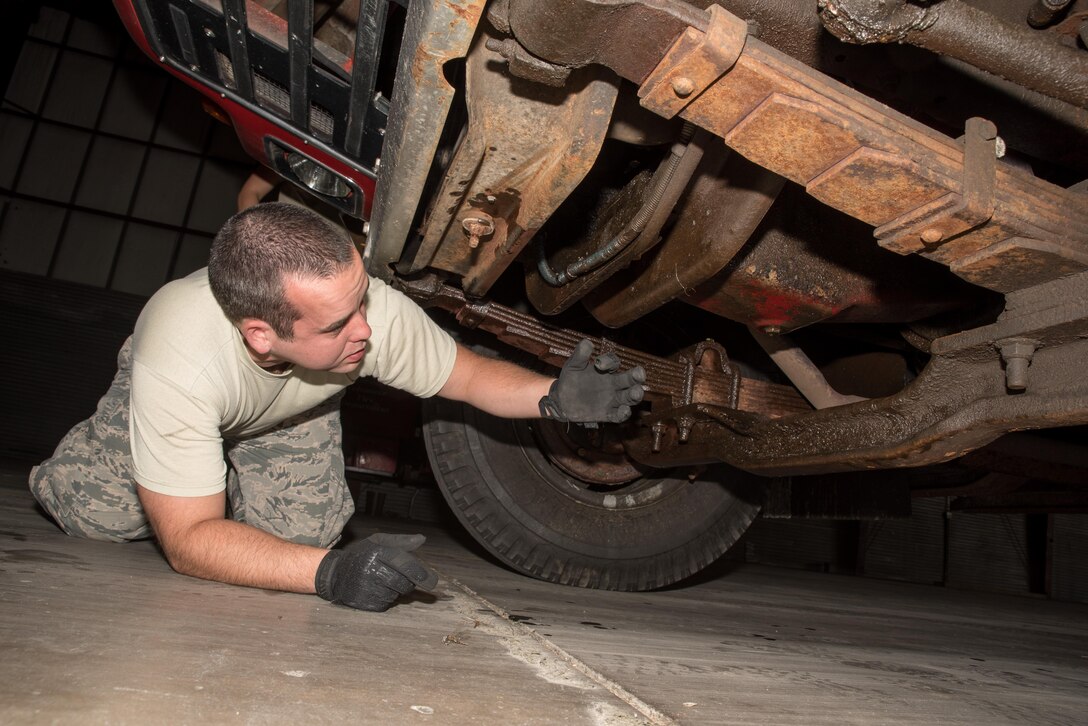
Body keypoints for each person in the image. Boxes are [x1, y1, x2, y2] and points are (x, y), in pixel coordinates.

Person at [29, 202, 645, 612]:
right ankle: (79, 473)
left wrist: (551, 399)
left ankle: (235, 502)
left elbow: (468, 376)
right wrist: (332, 575)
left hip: (295, 402)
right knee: (103, 519)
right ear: (260, 335)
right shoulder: (181, 361)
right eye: (336, 324)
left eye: (360, 304)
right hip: (189, 398)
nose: (365, 332)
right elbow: (188, 544)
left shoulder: (364, 315)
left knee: (300, 535)